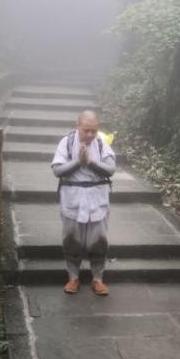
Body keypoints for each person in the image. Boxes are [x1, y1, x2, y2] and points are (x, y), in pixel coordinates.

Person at [51, 109, 116, 295]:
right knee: (72, 239)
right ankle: (73, 277)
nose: (90, 134)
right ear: (77, 125)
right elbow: (57, 170)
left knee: (99, 240)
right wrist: (78, 162)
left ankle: (98, 279)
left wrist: (91, 163)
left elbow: (111, 169)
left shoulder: (102, 143)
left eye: (93, 130)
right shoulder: (67, 142)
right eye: (86, 130)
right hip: (73, 197)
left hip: (97, 197)